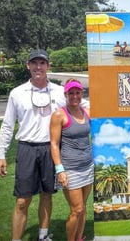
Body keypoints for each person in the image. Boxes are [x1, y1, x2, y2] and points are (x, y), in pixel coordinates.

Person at [0, 49, 89, 241]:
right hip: (27, 148)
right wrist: (1, 154)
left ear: (48, 66)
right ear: (28, 65)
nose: (38, 67)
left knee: (47, 195)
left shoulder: (58, 91)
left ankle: (43, 235)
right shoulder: (17, 93)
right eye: (34, 63)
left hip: (51, 148)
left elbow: (79, 103)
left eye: (42, 63)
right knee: (22, 200)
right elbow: (7, 125)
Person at [50, 79, 93, 241]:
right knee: (76, 209)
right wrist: (60, 170)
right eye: (71, 93)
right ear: (66, 95)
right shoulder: (59, 115)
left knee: (83, 209)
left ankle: (79, 238)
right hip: (70, 169)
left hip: (88, 166)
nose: (74, 96)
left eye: (77, 92)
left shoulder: (87, 112)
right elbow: (54, 144)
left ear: (82, 94)